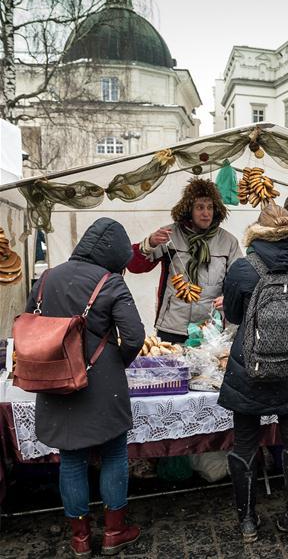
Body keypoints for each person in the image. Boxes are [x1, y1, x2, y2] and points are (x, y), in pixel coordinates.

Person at [27, 218, 145, 557]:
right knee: (113, 454)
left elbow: (29, 322)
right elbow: (134, 335)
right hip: (102, 383)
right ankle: (114, 531)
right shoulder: (111, 282)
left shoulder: (47, 277)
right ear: (115, 254)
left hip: (55, 379)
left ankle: (80, 539)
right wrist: (115, 361)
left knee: (71, 460)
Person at [217, 203, 288, 543]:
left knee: (245, 445)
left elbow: (233, 316)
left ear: (258, 233)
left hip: (249, 368)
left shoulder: (242, 269)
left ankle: (247, 521)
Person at [128, 178, 242, 343]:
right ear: (189, 210)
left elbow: (239, 280)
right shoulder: (169, 235)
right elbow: (135, 266)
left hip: (210, 328)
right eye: (200, 207)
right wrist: (150, 243)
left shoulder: (228, 241)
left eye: (210, 207)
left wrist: (229, 298)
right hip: (172, 326)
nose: (206, 213)